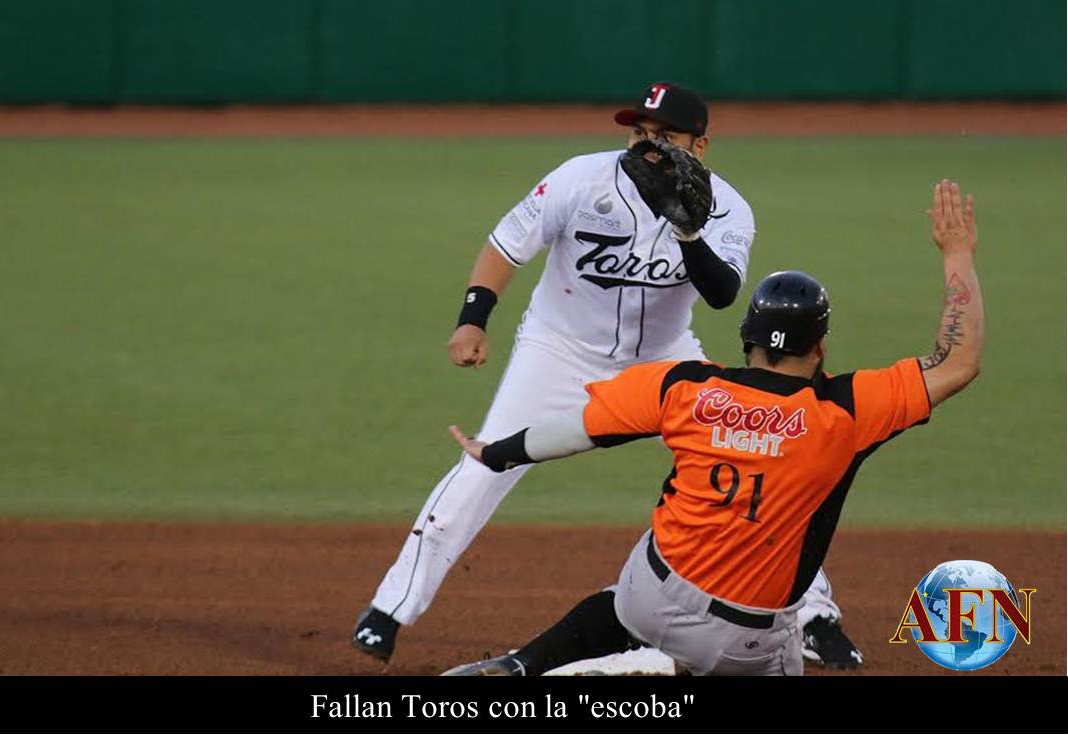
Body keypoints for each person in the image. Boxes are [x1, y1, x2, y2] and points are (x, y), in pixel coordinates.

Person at [353, 82, 861, 671]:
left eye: (665, 136)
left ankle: (814, 616)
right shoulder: (580, 179)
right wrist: (473, 320)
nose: (648, 145)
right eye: (640, 132)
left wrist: (686, 227)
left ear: (699, 146)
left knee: (763, 456)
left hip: (665, 357)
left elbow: (722, 293)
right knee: (485, 463)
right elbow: (506, 245)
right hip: (558, 348)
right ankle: (389, 610)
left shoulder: (727, 207)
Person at [440, 179, 983, 676]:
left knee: (624, 600)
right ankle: (630, 669)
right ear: (819, 348)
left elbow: (579, 431)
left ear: (747, 337)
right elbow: (958, 363)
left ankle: (525, 665)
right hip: (745, 640)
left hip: (652, 593)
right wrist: (956, 251)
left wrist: (497, 453)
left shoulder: (685, 385)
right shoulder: (847, 410)